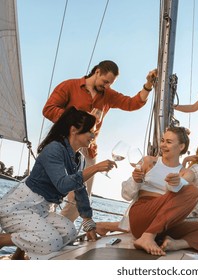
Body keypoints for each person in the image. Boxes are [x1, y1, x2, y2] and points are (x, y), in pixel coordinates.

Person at [42, 60, 157, 222]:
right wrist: (78, 120)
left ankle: (57, 232)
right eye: (105, 82)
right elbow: (48, 109)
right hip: (62, 144)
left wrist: (148, 85)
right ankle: (36, 232)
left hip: (88, 150)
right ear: (97, 72)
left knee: (81, 197)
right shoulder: (69, 86)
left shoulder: (108, 95)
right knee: (50, 191)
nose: (107, 86)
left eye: (110, 84)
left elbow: (132, 103)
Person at [0, 107, 117, 259]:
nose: (93, 135)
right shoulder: (54, 149)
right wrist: (95, 168)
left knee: (69, 233)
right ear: (74, 130)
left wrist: (88, 223)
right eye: (90, 131)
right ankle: (2, 240)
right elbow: (62, 184)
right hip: (19, 207)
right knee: (50, 241)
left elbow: (79, 190)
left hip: (42, 209)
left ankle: (21, 259)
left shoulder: (78, 158)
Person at [96, 126, 198, 256]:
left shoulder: (186, 173)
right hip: (142, 215)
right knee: (192, 191)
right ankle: (147, 237)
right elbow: (126, 195)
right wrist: (135, 180)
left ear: (181, 147)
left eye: (169, 142)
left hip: (165, 225)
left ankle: (175, 244)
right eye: (162, 141)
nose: (163, 145)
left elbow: (178, 193)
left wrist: (176, 184)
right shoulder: (149, 161)